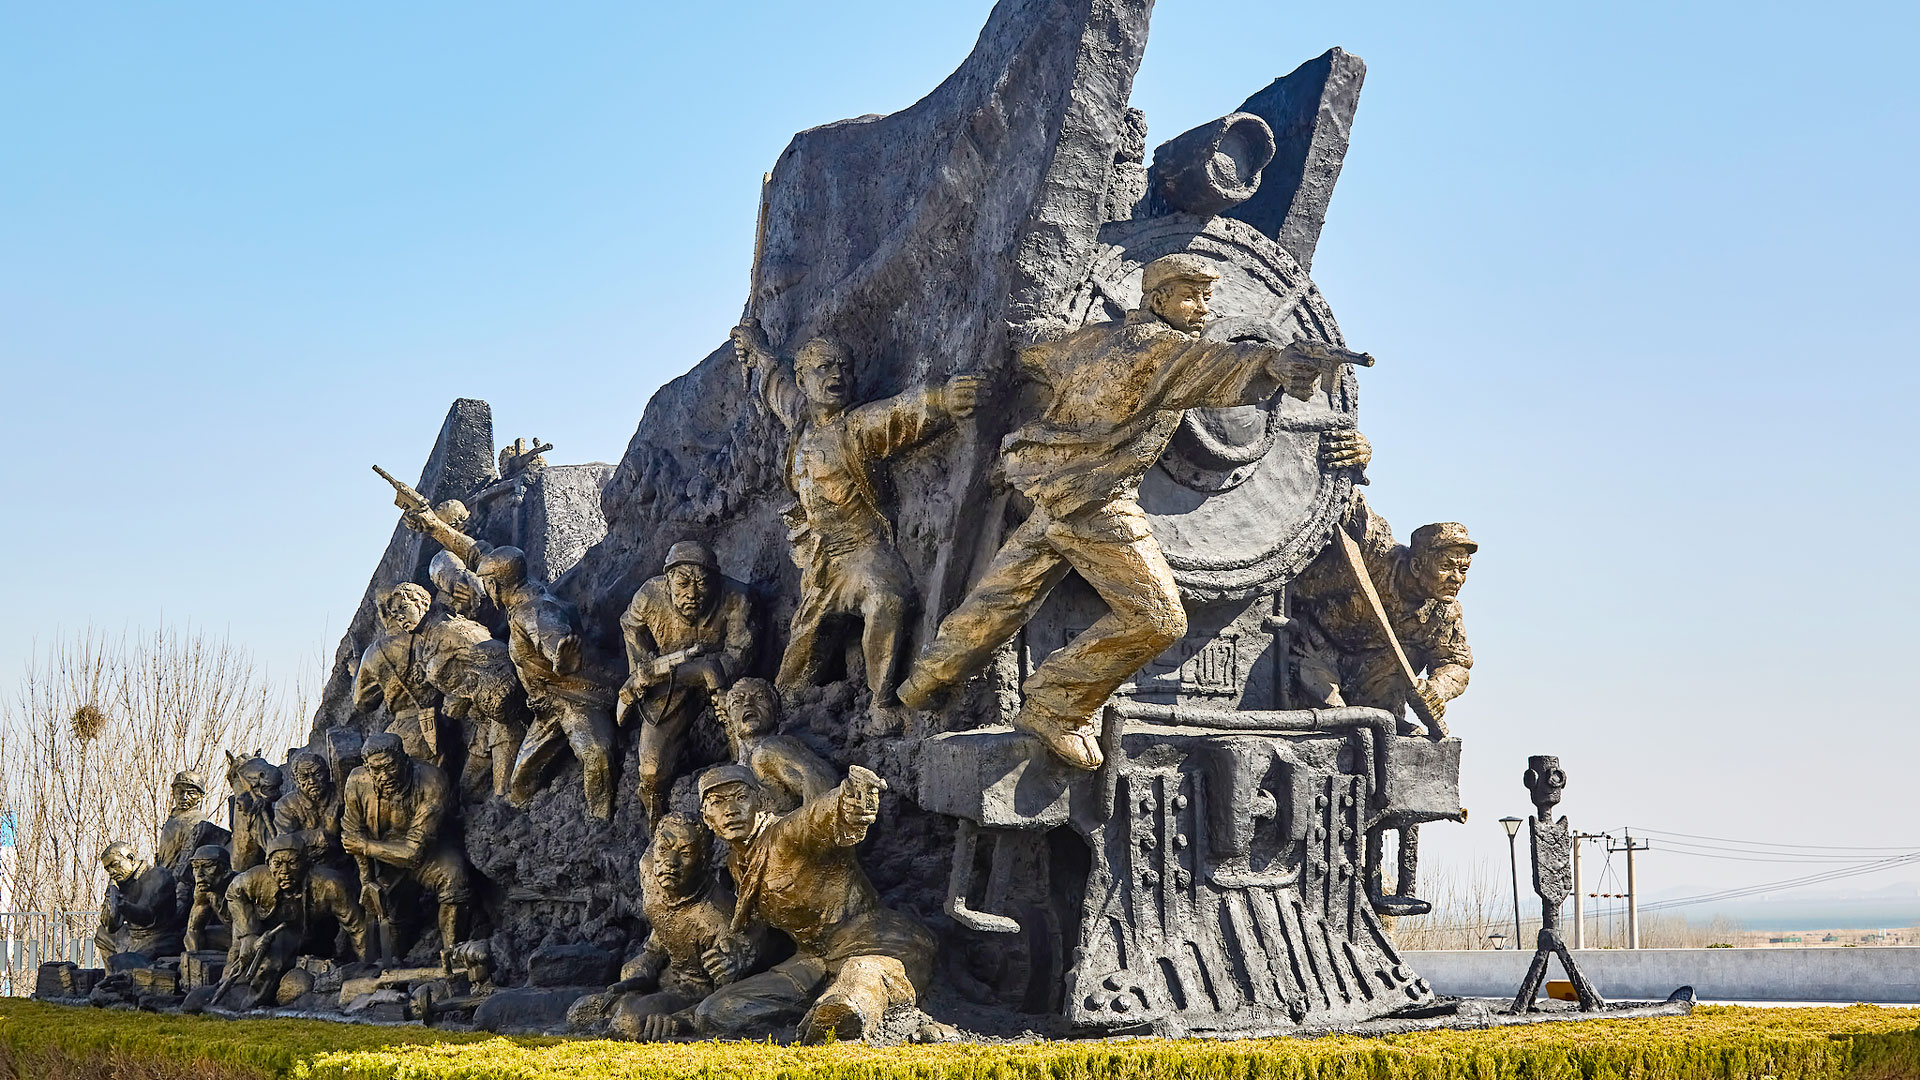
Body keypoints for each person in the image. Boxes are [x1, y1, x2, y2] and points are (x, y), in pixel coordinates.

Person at [900, 253, 1368, 769]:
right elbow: (1214, 365)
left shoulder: (1095, 339)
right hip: (1099, 500)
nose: (1203, 308)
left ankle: (927, 678)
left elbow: (1036, 353)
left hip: (1054, 487)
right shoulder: (1162, 350)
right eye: (1190, 297)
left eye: (1208, 297)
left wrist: (1025, 343)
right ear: (1157, 299)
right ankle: (1056, 705)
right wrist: (1273, 363)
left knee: (1004, 594)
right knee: (1158, 618)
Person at [732, 323, 983, 707]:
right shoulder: (800, 420)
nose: (837, 376)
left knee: (886, 599)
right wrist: (755, 348)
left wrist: (945, 398)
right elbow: (775, 385)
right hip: (822, 563)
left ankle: (881, 703)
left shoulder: (857, 427)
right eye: (825, 367)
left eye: (845, 368)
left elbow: (901, 413)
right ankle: (788, 713)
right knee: (795, 668)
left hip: (866, 550)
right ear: (803, 380)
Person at [1288, 494, 1476, 915]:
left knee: (1388, 719)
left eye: (1463, 569)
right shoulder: (1378, 552)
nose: (1457, 578)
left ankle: (1375, 845)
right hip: (1316, 645)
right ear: (1417, 563)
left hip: (1374, 678)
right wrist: (1352, 463)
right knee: (1329, 705)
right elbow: (1349, 502)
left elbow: (1456, 662)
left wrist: (1437, 689)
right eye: (1448, 566)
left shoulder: (1444, 613)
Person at [693, 764, 935, 1043]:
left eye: (740, 797)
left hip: (877, 944)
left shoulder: (786, 834)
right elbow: (761, 925)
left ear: (760, 801)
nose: (730, 810)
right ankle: (816, 1019)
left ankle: (839, 1017)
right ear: (707, 818)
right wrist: (740, 952)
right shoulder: (737, 863)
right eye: (717, 803)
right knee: (716, 1011)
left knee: (856, 985)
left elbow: (816, 818)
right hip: (812, 962)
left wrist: (850, 800)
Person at [618, 540, 757, 824]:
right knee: (651, 771)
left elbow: (738, 656)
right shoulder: (649, 596)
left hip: (724, 684)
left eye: (702, 583)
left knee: (749, 742)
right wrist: (643, 669)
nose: (692, 594)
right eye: (682, 584)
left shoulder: (737, 598)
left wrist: (705, 672)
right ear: (668, 582)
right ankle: (657, 824)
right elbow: (630, 626)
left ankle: (756, 803)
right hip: (671, 684)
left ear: (715, 582)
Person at [479, 546, 617, 822]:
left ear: (494, 585)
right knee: (520, 783)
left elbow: (552, 639)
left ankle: (601, 822)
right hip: (547, 707)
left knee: (596, 753)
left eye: (485, 584)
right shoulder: (521, 597)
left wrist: (561, 661)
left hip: (575, 699)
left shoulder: (533, 613)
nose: (484, 590)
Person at [601, 813, 756, 1041]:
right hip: (663, 978)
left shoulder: (718, 917)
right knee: (581, 1012)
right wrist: (646, 963)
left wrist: (684, 1018)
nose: (670, 862)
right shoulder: (651, 872)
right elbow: (663, 929)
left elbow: (725, 1000)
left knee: (628, 1022)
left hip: (694, 993)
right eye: (663, 849)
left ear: (703, 860)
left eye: (685, 854)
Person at [341, 733, 473, 965]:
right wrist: (367, 881)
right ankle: (395, 962)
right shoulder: (357, 781)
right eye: (376, 770)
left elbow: (414, 854)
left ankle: (453, 957)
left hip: (431, 852)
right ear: (367, 769)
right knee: (392, 924)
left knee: (454, 877)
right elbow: (353, 834)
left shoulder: (432, 781)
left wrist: (366, 846)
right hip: (385, 860)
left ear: (404, 759)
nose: (384, 776)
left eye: (390, 766)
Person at [226, 833, 367, 1007]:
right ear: (268, 864)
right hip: (267, 936)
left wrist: (365, 966)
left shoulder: (330, 884)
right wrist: (248, 934)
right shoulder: (254, 878)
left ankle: (258, 1005)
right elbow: (233, 892)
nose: (285, 871)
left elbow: (357, 928)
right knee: (259, 962)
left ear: (306, 863)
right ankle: (247, 1005)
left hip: (316, 939)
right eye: (277, 864)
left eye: (292, 863)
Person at [352, 583, 443, 764]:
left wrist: (356, 672)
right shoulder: (430, 631)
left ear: (383, 611)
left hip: (405, 732)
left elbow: (362, 702)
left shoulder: (375, 652)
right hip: (444, 722)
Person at [720, 679, 835, 814]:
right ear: (730, 722)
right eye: (737, 702)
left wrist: (808, 823)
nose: (747, 703)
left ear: (778, 713)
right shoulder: (728, 776)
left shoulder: (771, 749)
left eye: (760, 697)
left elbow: (821, 781)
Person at [93, 841, 185, 965]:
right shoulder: (119, 883)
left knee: (128, 961)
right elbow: (110, 927)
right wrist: (110, 896)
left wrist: (122, 904)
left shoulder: (157, 875)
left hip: (158, 937)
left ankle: (123, 972)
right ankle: (112, 973)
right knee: (102, 934)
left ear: (130, 858)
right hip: (133, 936)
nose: (112, 872)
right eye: (107, 869)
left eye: (114, 865)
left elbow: (147, 916)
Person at [154, 770, 229, 908]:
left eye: (190, 793)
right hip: (162, 876)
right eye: (180, 792)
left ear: (200, 796)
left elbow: (187, 859)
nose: (184, 797)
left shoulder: (195, 820)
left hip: (181, 882)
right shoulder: (173, 818)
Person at [273, 750, 346, 873]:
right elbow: (285, 842)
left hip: (343, 863)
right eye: (304, 777)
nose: (312, 781)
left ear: (327, 774)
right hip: (306, 868)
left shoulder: (340, 795)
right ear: (296, 780)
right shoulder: (286, 805)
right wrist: (319, 836)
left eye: (317, 774)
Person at [181, 844, 236, 954]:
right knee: (203, 936)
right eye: (195, 867)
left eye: (208, 867)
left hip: (257, 936)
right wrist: (194, 956)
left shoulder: (240, 885)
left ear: (226, 871)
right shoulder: (203, 890)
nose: (199, 874)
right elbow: (193, 930)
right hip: (231, 933)